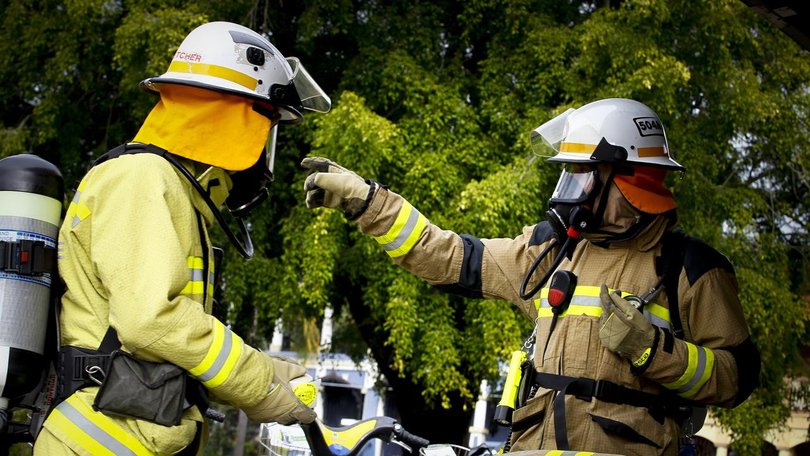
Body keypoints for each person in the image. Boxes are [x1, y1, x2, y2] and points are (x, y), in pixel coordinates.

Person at [301, 98, 760, 455]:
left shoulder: (690, 267)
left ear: (624, 179)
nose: (569, 190)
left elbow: (736, 380)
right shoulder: (551, 249)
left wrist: (652, 351)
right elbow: (446, 256)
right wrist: (366, 202)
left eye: (582, 174)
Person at [34, 21, 330, 455]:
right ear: (234, 116)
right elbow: (151, 322)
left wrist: (265, 369)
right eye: (265, 127)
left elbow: (176, 344)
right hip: (99, 442)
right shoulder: (142, 179)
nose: (265, 151)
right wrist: (258, 382)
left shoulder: (173, 189)